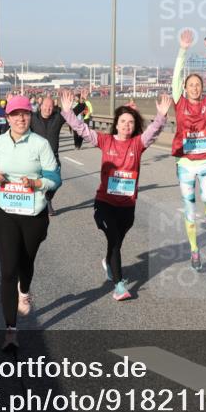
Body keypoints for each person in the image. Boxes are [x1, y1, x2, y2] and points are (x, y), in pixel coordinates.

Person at [60, 89, 172, 300]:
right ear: (116, 123)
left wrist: (161, 116)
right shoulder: (105, 141)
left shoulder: (137, 144)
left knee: (116, 244)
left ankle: (108, 262)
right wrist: (68, 112)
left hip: (127, 205)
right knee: (113, 238)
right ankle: (119, 285)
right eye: (123, 121)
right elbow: (83, 130)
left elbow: (153, 132)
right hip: (105, 202)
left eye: (130, 122)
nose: (126, 125)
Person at [0, 95, 60, 350]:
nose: (21, 118)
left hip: (33, 213)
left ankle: (25, 290)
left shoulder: (40, 144)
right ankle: (10, 331)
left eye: (25, 114)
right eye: (15, 114)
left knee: (26, 263)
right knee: (9, 270)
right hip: (5, 211)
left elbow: (55, 177)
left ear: (30, 116)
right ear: (8, 118)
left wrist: (37, 183)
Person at [171, 29, 206, 271]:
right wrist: (183, 50)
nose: (194, 88)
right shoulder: (179, 103)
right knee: (189, 209)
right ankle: (194, 250)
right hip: (185, 165)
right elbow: (175, 78)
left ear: (202, 88)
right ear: (185, 88)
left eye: (197, 84)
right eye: (190, 84)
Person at [29, 94, 75, 216]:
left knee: (56, 182)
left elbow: (73, 113)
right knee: (36, 182)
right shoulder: (32, 118)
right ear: (41, 106)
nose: (48, 109)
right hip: (36, 158)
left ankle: (47, 198)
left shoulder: (57, 118)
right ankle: (40, 203)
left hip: (53, 157)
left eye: (50, 106)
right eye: (46, 106)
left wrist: (82, 101)